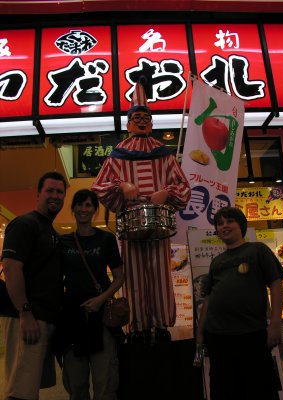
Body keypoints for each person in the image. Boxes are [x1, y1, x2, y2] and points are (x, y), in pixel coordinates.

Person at [92, 82, 191, 342]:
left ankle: (160, 324)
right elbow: (99, 185)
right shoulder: (116, 156)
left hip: (159, 224)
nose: (142, 121)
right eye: (137, 118)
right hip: (130, 226)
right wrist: (121, 185)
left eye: (146, 118)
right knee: (133, 276)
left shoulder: (165, 155)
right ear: (128, 124)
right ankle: (135, 326)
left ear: (152, 123)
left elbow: (183, 186)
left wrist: (167, 191)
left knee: (159, 273)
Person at [196, 206, 283, 400]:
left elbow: (276, 284)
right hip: (218, 337)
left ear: (241, 225)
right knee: (224, 390)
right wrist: (200, 334)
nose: (224, 226)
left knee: (259, 388)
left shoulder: (258, 250)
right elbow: (209, 299)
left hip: (252, 334)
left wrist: (276, 323)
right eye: (220, 223)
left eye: (230, 221)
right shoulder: (216, 261)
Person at [0, 171, 67, 400]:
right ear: (37, 194)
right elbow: (11, 268)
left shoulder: (49, 231)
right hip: (26, 318)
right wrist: (25, 313)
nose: (55, 196)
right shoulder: (24, 224)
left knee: (29, 387)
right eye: (50, 190)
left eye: (60, 192)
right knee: (20, 390)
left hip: (41, 319)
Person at [55, 189, 124, 400]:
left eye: (88, 205)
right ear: (73, 209)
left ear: (95, 210)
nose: (83, 209)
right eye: (79, 204)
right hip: (72, 316)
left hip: (102, 315)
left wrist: (101, 299)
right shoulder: (62, 242)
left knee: (104, 381)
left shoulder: (106, 239)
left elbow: (120, 277)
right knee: (76, 382)